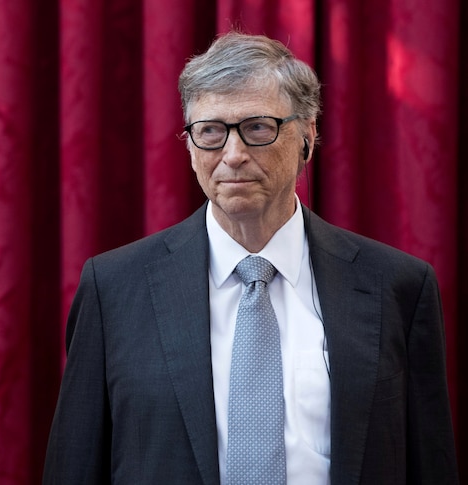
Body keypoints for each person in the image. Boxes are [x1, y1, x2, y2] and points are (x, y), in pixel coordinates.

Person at [43, 32, 457, 484]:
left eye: (258, 127)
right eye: (211, 132)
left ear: (308, 135)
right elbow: (75, 467)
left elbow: (429, 463)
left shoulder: (397, 287)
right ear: (188, 143)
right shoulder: (114, 288)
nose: (233, 155)